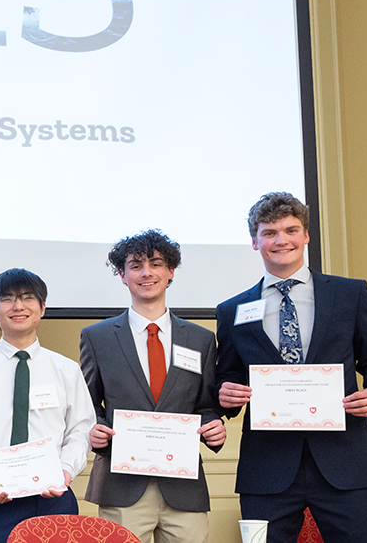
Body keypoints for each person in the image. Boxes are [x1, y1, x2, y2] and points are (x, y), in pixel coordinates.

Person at [216, 192, 367, 543]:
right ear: (255, 241)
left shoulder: (351, 294)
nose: (281, 240)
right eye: (269, 233)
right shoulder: (232, 309)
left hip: (346, 463)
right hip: (267, 469)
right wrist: (226, 392)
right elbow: (228, 374)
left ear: (306, 236)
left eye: (291, 230)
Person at [79, 230, 225, 543]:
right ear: (122, 275)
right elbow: (87, 405)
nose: (147, 273)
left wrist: (214, 426)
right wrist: (95, 428)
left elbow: (206, 406)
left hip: (184, 488)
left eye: (156, 264)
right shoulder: (97, 338)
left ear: (170, 272)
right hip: (122, 487)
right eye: (135, 265)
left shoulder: (200, 339)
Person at [0, 268, 94, 543]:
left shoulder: (66, 369)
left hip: (53, 499)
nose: (18, 306)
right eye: (7, 299)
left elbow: (81, 431)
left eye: (27, 298)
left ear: (42, 308)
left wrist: (64, 471)